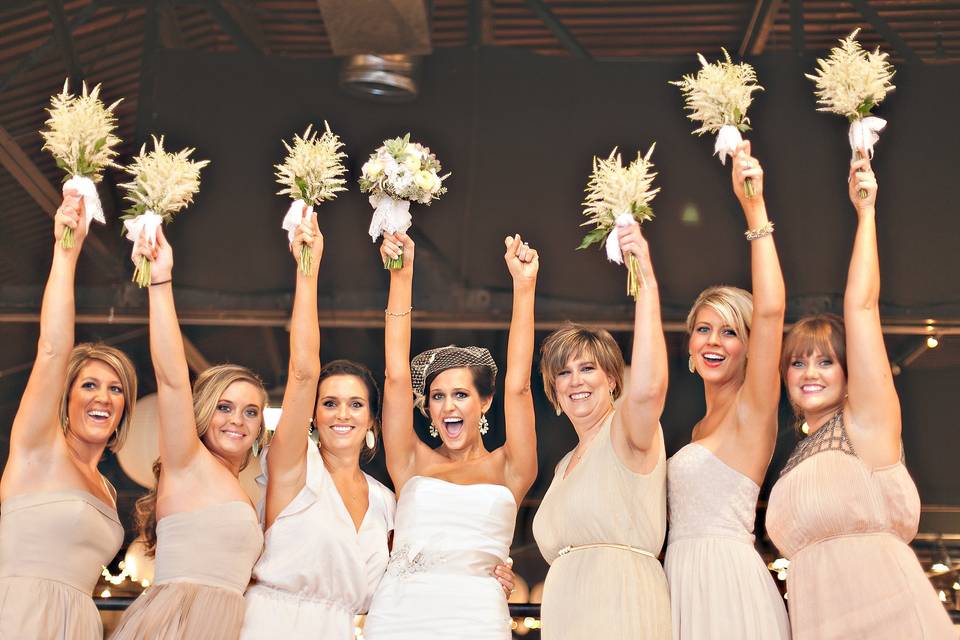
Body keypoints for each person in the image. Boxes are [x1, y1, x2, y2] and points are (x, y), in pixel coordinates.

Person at [766, 154, 954, 639]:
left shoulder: (866, 423)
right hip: (819, 622)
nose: (809, 372)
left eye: (826, 360)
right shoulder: (795, 458)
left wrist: (865, 214)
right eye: (798, 361)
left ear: (851, 373)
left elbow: (862, 305)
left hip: (889, 616)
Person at [362, 233, 538, 639]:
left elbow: (520, 386)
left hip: (475, 616)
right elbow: (394, 377)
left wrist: (524, 286)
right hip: (399, 615)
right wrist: (401, 277)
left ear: (485, 402)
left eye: (461, 395)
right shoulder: (411, 461)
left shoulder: (511, 467)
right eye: (438, 397)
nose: (448, 407)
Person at [111, 226, 265, 640]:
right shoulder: (187, 461)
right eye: (225, 407)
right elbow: (173, 378)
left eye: (251, 411)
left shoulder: (243, 491)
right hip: (179, 623)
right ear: (203, 414)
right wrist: (160, 283)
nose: (237, 420)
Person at [663, 142, 790, 639]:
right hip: (680, 579)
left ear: (748, 346)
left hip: (726, 583)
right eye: (704, 329)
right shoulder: (696, 429)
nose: (713, 342)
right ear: (691, 345)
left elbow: (773, 311)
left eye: (730, 331)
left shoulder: (752, 407)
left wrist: (753, 207)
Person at [0, 189, 137, 639]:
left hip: (78, 622)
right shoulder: (39, 447)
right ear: (66, 396)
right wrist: (67, 250)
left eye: (116, 389)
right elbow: (53, 348)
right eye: (89, 385)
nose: (103, 398)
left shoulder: (107, 488)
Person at [533, 219, 671, 639]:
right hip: (565, 617)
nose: (575, 380)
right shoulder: (561, 467)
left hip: (621, 610)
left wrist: (645, 279)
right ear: (554, 389)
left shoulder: (626, 432)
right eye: (564, 373)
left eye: (588, 368)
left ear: (612, 379)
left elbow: (648, 389)